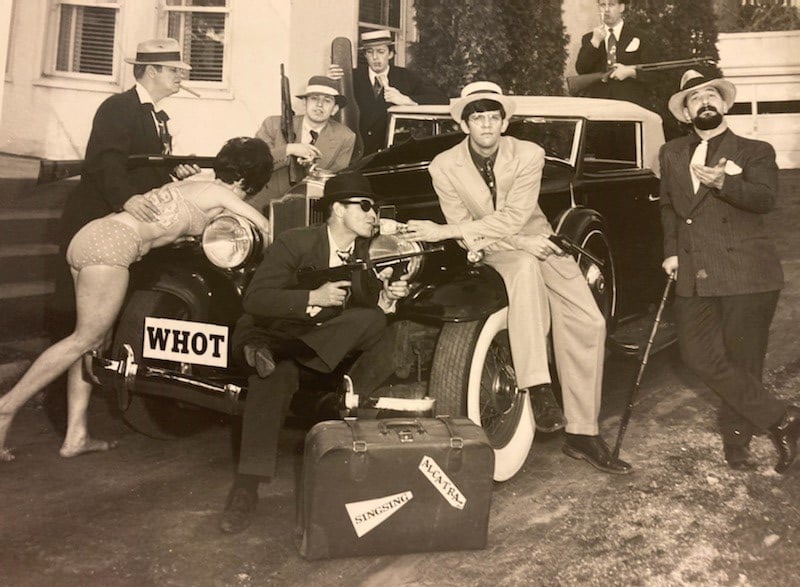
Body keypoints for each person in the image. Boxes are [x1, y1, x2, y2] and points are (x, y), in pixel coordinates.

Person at [400, 81, 632, 474]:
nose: (487, 125)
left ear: (505, 122)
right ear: (464, 124)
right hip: (498, 250)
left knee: (589, 322)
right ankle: (537, 386)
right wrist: (518, 242)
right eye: (478, 118)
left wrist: (442, 232)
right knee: (523, 267)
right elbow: (463, 223)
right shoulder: (443, 166)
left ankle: (581, 433)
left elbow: (514, 215)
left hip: (537, 238)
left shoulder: (529, 153)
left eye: (494, 117)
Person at [0, 138, 273, 462]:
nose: (245, 195)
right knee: (83, 339)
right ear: (244, 180)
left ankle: (76, 436)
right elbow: (265, 228)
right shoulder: (223, 194)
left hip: (92, 235)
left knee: (92, 341)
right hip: (114, 246)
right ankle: (5, 408)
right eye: (251, 188)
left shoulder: (192, 183)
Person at [219, 172, 410, 534]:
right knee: (272, 379)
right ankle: (246, 487)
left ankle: (278, 355)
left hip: (309, 347)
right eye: (365, 206)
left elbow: (365, 313)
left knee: (372, 320)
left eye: (376, 208)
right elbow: (255, 299)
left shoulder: (370, 254)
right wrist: (312, 297)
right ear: (337, 210)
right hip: (278, 332)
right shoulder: (295, 242)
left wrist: (388, 297)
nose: (374, 215)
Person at [660, 70, 798, 473]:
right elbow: (668, 206)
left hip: (747, 273)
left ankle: (737, 443)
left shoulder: (756, 150)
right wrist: (670, 252)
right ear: (685, 113)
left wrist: (725, 183)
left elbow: (765, 199)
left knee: (742, 361)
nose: (704, 102)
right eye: (694, 99)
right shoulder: (671, 153)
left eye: (710, 96)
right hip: (693, 270)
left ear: (723, 105)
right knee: (697, 355)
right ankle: (784, 419)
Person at [50, 38, 202, 337]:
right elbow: (105, 160)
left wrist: (173, 173)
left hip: (121, 227)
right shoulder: (118, 107)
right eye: (174, 70)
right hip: (94, 219)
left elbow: (141, 167)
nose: (180, 77)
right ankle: (59, 382)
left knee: (105, 316)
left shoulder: (154, 115)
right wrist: (127, 198)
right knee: (76, 317)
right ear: (151, 71)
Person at [328, 30, 448, 155]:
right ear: (365, 55)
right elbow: (330, 106)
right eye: (370, 52)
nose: (375, 57)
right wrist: (329, 83)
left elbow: (442, 99)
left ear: (390, 54)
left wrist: (406, 100)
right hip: (356, 153)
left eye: (381, 51)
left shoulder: (405, 77)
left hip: (391, 154)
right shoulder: (351, 77)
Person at [255, 75, 357, 174]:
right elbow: (254, 163)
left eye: (327, 100)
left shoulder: (345, 137)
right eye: (314, 98)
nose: (319, 105)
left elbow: (335, 178)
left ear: (334, 110)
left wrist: (311, 167)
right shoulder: (273, 125)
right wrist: (290, 149)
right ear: (304, 103)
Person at [574, 0, 651, 108]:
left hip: (630, 105)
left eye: (611, 4)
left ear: (622, 7)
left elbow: (654, 73)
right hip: (598, 105)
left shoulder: (640, 36)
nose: (606, 10)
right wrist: (595, 42)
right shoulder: (590, 38)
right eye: (602, 5)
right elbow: (581, 69)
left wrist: (631, 72)